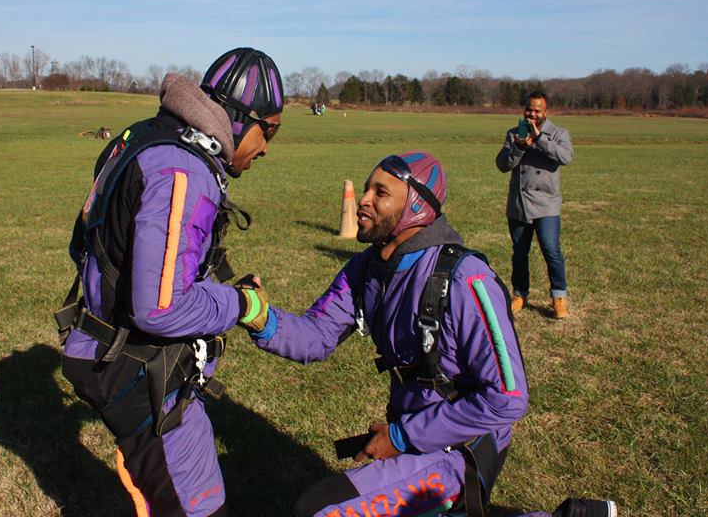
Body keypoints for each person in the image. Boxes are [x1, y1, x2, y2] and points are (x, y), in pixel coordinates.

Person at [56, 47, 284, 517]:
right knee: (199, 507)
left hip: (99, 341)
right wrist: (239, 304)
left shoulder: (143, 136)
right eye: (271, 130)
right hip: (136, 369)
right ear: (242, 118)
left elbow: (87, 243)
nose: (267, 147)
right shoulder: (185, 169)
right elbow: (161, 308)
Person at [238, 151, 529, 517]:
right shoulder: (365, 269)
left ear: (417, 207)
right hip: (412, 433)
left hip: (462, 446)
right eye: (365, 190)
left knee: (319, 511)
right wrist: (259, 316)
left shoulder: (465, 278)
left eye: (380, 192)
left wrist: (400, 437)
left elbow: (508, 397)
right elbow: (317, 335)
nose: (363, 199)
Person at [495, 91, 573, 320]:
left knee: (551, 249)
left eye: (538, 110)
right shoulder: (514, 133)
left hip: (547, 204)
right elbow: (501, 165)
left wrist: (540, 139)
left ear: (545, 112)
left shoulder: (559, 133)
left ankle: (559, 296)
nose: (532, 113)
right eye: (530, 109)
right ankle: (519, 294)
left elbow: (565, 157)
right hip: (519, 204)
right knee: (520, 253)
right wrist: (519, 147)